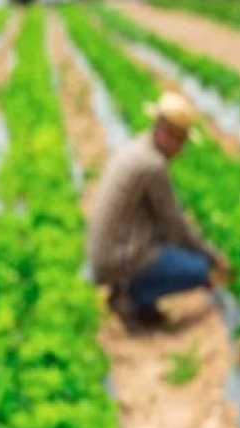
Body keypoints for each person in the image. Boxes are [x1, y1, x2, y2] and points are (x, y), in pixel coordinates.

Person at [87, 91, 230, 330]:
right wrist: (212, 257)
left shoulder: (136, 148)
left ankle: (130, 292)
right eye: (180, 141)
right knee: (197, 269)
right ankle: (133, 298)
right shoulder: (152, 166)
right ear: (166, 135)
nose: (181, 150)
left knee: (170, 248)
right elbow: (175, 225)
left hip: (105, 253)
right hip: (117, 258)